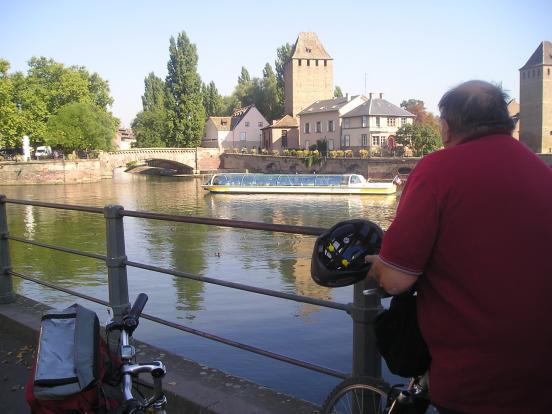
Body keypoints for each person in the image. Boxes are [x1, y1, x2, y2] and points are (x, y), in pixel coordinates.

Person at [365, 80, 552, 413]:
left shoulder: (438, 171)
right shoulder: (542, 172)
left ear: (447, 129)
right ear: (507, 123)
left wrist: (378, 264)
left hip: (476, 379)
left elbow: (395, 280)